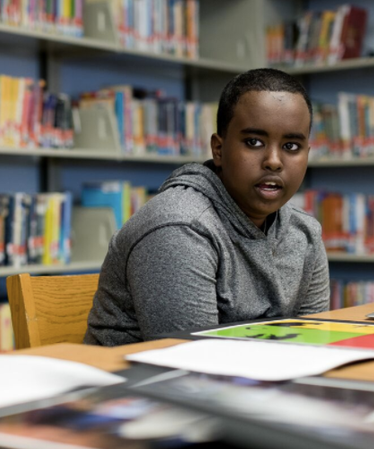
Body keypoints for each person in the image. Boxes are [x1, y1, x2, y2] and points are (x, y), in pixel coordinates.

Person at [84, 68, 330, 346]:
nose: (274, 161)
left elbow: (312, 348)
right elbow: (190, 364)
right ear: (218, 149)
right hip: (140, 385)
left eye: (291, 146)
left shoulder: (304, 233)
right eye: (254, 142)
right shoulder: (178, 229)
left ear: (307, 155)